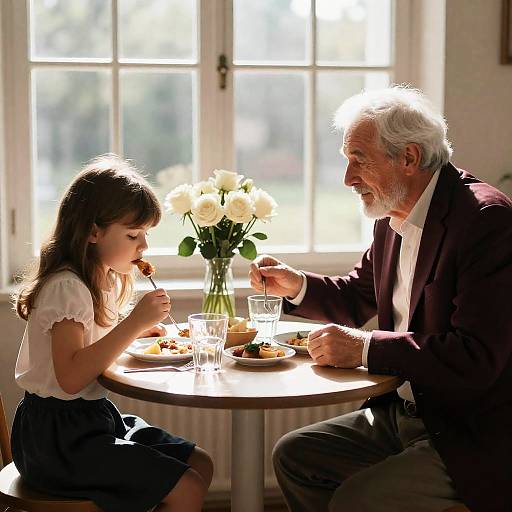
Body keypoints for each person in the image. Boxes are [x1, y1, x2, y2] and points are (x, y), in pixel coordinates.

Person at [249, 86, 512, 512]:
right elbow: (359, 295)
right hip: (404, 413)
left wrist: (365, 348)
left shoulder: (486, 221)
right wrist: (295, 284)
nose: (348, 179)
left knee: (357, 500)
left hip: (469, 430)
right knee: (295, 456)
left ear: (408, 158)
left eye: (359, 160)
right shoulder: (393, 215)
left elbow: (475, 355)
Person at [12, 154, 213, 512]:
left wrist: (136, 333)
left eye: (145, 234)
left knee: (199, 464)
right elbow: (72, 378)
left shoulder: (99, 279)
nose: (143, 247)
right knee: (187, 486)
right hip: (58, 439)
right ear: (93, 232)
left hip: (93, 420)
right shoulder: (67, 288)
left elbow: (94, 350)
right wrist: (132, 324)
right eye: (133, 234)